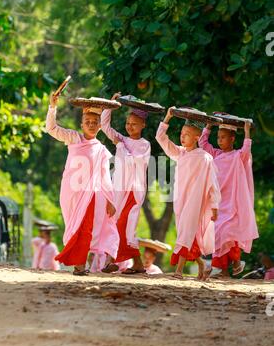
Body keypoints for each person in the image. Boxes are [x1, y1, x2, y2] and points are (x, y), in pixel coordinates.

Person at [46, 92, 119, 275]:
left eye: (95, 122)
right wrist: (52, 107)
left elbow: (105, 177)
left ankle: (80, 266)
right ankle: (78, 264)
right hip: (72, 193)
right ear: (81, 124)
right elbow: (52, 129)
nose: (91, 125)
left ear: (100, 125)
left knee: (87, 228)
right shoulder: (74, 138)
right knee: (76, 227)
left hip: (93, 195)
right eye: (87, 122)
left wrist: (110, 200)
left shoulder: (101, 149)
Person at [156, 107, 221, 280]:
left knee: (186, 232)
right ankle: (203, 264)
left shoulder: (205, 157)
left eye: (186, 134)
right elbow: (160, 138)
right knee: (186, 233)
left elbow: (212, 184)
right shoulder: (180, 153)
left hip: (195, 201)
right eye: (182, 133)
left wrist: (214, 205)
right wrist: (168, 117)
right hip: (180, 200)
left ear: (196, 137)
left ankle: (179, 270)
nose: (182, 136)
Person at [199, 121, 259, 278]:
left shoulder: (238, 156)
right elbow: (203, 144)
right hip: (218, 203)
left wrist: (246, 132)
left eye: (223, 137)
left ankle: (234, 262)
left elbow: (246, 150)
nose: (219, 140)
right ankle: (225, 269)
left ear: (232, 138)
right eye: (218, 137)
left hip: (233, 203)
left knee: (228, 234)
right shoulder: (216, 154)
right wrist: (208, 126)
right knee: (218, 235)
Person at [101, 93, 151, 274]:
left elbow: (133, 162)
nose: (130, 127)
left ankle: (119, 261)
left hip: (134, 191)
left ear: (143, 125)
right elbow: (105, 126)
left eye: (134, 124)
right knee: (115, 223)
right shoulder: (122, 139)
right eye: (128, 123)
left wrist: (120, 146)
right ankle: (120, 262)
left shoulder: (145, 145)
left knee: (124, 225)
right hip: (119, 189)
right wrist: (111, 105)